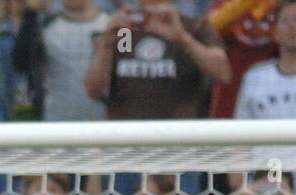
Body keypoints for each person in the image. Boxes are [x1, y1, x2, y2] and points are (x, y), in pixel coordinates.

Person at [233, 0, 296, 195]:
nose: (292, 26)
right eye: (285, 21)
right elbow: (239, 136)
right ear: (274, 31)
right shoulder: (255, 77)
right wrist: (239, 189)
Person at [84, 0, 230, 119]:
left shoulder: (194, 27)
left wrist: (182, 39)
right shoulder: (126, 31)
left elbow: (222, 74)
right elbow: (95, 90)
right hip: (128, 139)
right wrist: (106, 44)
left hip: (182, 139)